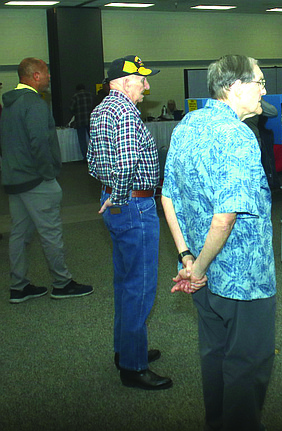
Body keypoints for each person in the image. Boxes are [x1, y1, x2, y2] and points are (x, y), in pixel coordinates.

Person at [161, 54, 276, 431]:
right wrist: (202, 265)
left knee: (214, 354)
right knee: (247, 363)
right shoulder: (238, 136)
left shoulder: (188, 123)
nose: (264, 89)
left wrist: (188, 259)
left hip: (202, 277)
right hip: (242, 280)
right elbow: (226, 216)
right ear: (234, 87)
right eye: (258, 82)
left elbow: (168, 197)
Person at [88, 55, 171, 390]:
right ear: (123, 82)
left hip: (119, 203)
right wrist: (121, 196)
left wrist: (109, 194)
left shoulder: (101, 110)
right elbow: (125, 165)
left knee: (125, 282)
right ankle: (133, 368)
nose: (146, 86)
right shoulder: (124, 111)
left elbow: (93, 161)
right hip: (134, 206)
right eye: (142, 80)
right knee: (139, 286)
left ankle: (125, 351)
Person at [0, 57, 93, 304]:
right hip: (36, 181)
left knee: (19, 234)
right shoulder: (35, 104)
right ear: (35, 76)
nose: (50, 77)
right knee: (51, 232)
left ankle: (18, 286)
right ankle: (62, 283)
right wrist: (49, 174)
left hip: (14, 180)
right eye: (46, 72)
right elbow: (40, 143)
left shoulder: (8, 104)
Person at [244, 98, 279, 189]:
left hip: (247, 139)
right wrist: (259, 100)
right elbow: (273, 112)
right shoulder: (254, 100)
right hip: (254, 139)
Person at [69, 83, 94, 159]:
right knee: (92, 139)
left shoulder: (75, 96)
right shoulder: (90, 95)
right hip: (90, 120)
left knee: (82, 140)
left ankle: (85, 157)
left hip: (80, 120)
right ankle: (94, 156)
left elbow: (71, 108)